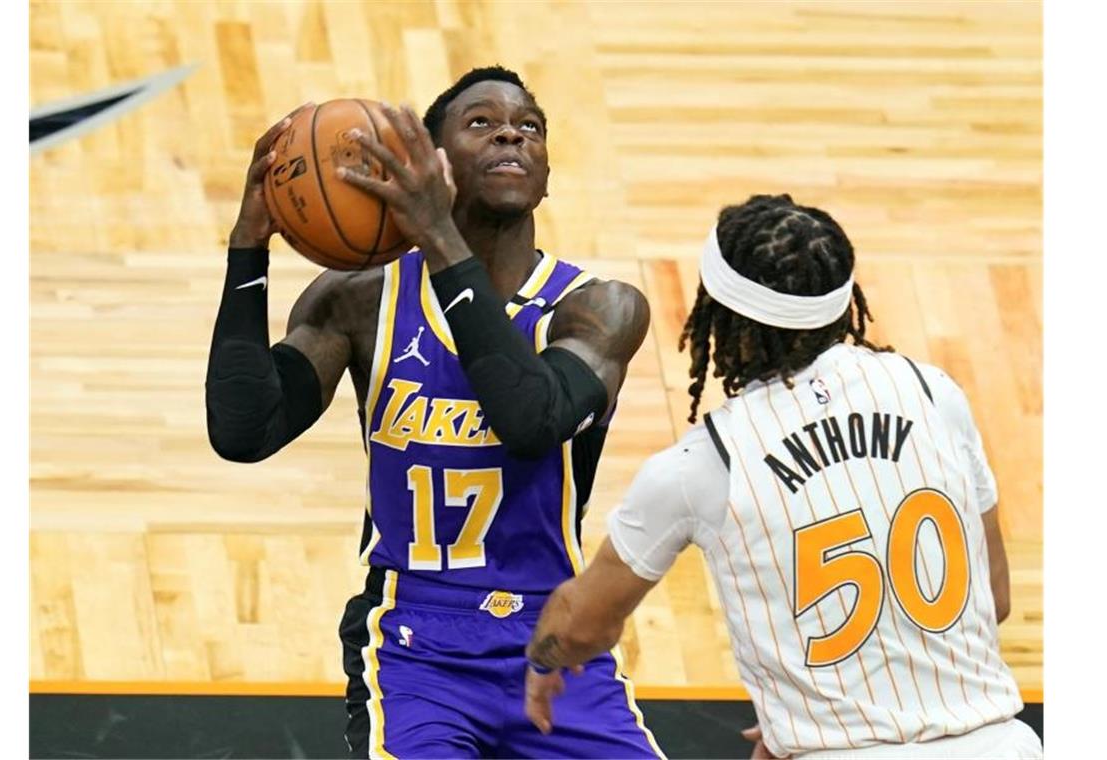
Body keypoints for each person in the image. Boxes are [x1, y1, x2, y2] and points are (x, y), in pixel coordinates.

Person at [206, 66, 663, 758]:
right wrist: (247, 246)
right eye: (481, 122)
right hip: (414, 644)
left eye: (529, 127)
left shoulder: (598, 308)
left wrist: (437, 234)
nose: (512, 131)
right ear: (432, 161)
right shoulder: (360, 302)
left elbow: (530, 421)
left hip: (553, 636)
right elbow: (244, 431)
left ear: (545, 175)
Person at [523, 194, 1043, 759]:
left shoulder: (704, 464)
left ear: (715, 314)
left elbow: (582, 626)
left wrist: (544, 659)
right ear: (845, 306)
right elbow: (992, 595)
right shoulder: (932, 391)